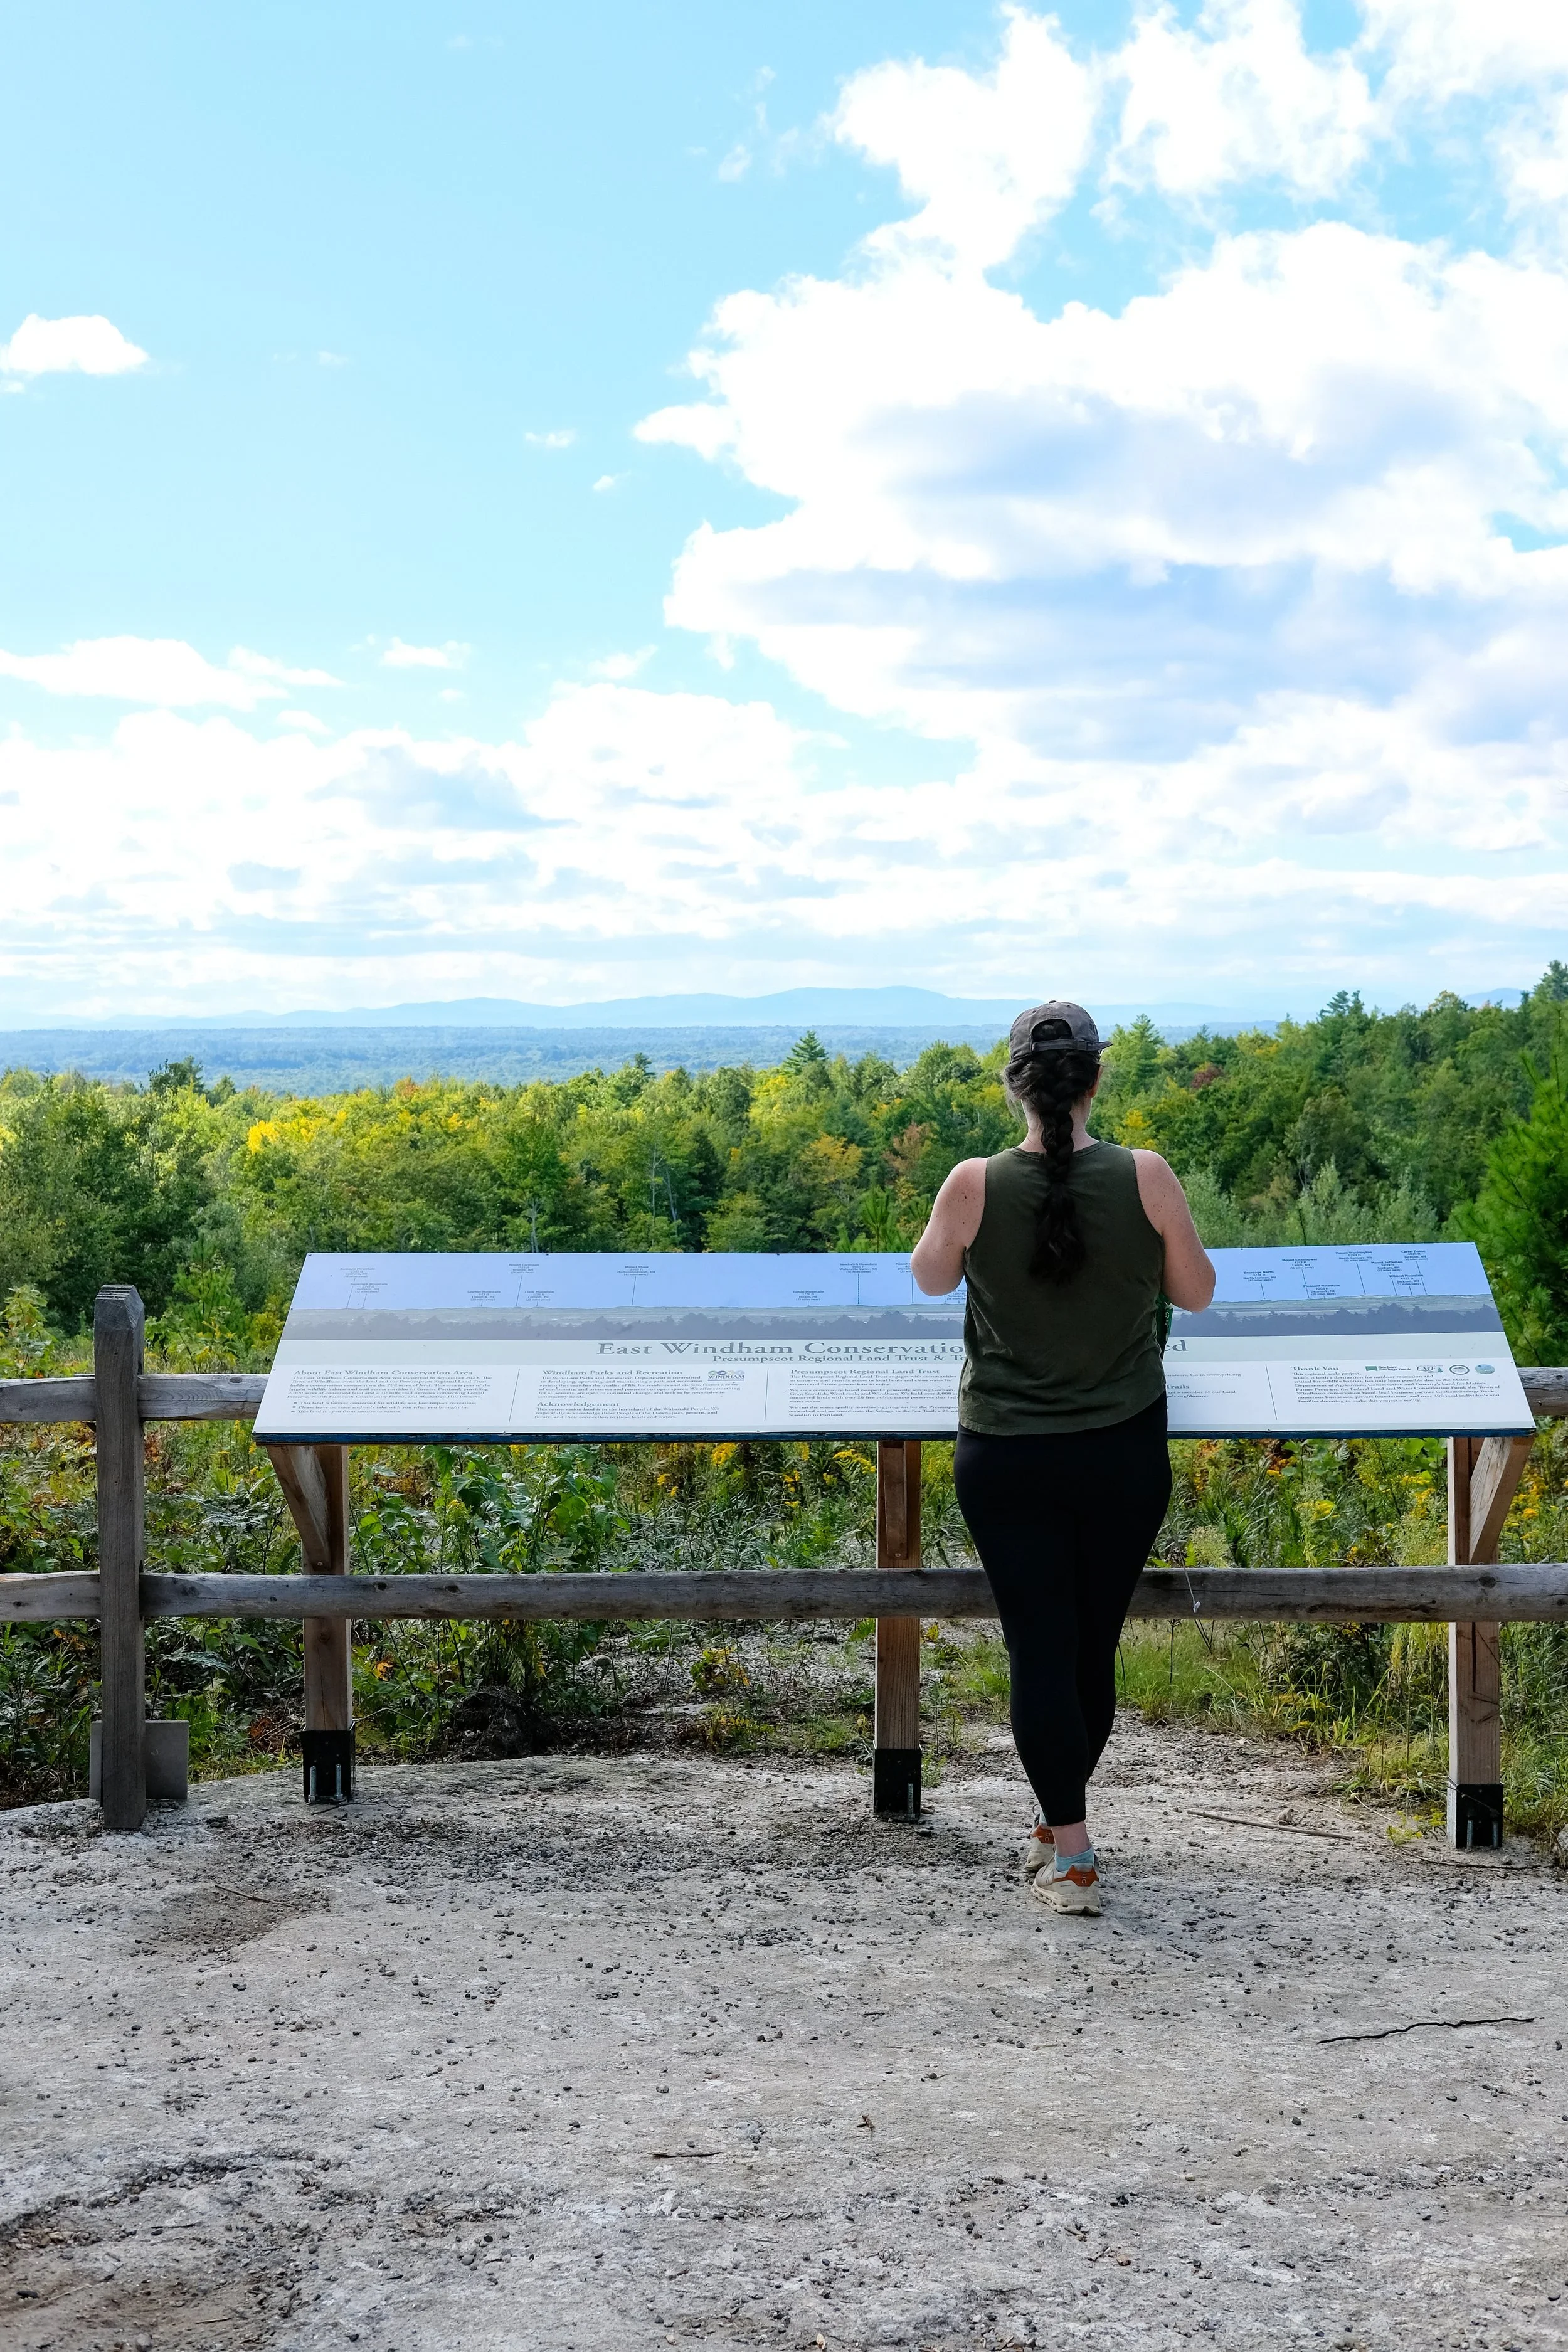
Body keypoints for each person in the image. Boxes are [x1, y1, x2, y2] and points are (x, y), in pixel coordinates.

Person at [910, 1000, 1214, 1916]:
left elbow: (929, 1275)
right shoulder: (1147, 1175)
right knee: (1091, 1649)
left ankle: (1070, 1852)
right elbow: (1195, 1292)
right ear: (1095, 1079)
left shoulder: (972, 1184)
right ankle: (1062, 1829)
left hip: (1006, 1453)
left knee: (1040, 1648)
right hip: (1123, 1448)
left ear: (1015, 1083)